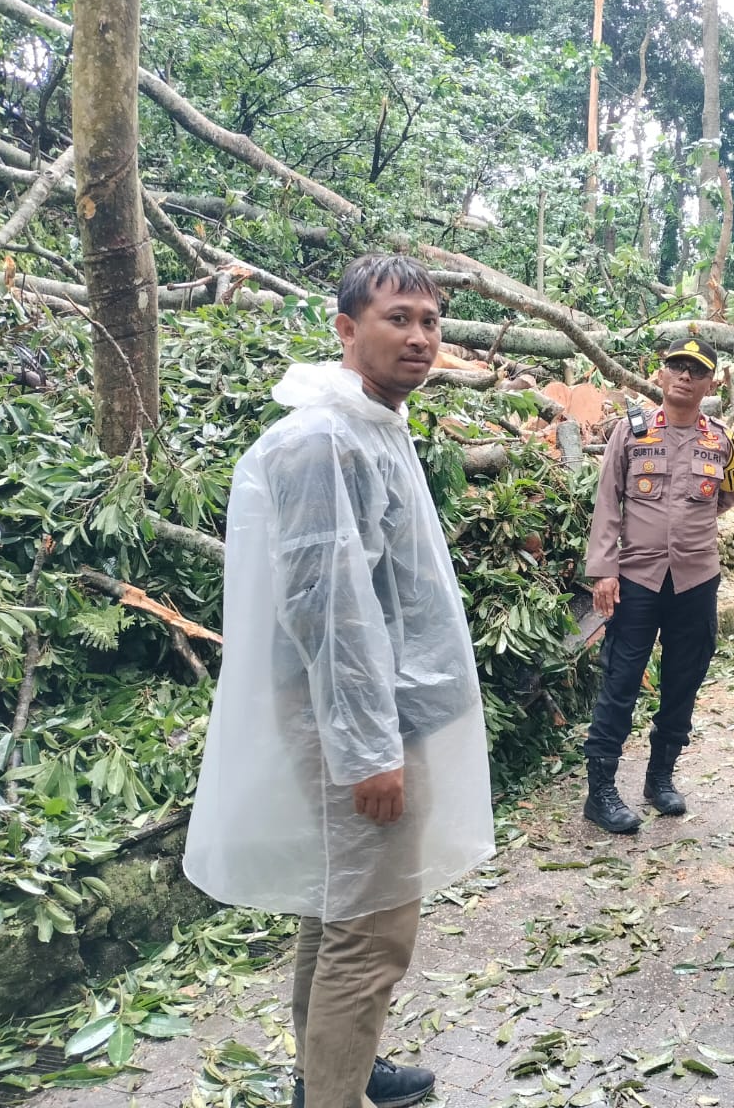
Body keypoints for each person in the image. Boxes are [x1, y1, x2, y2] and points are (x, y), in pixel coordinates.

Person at [184, 255, 495, 1108]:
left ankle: (330, 1074)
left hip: (379, 706)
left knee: (339, 903)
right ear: (346, 329)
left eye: (431, 321)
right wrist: (369, 750)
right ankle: (331, 1092)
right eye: (399, 318)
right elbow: (330, 607)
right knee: (373, 925)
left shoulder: (366, 423)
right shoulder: (323, 439)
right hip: (355, 718)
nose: (421, 337)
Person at [582, 337, 734, 833]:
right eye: (676, 366)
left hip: (696, 578)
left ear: (711, 383)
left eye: (696, 370)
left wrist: (687, 529)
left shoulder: (723, 440)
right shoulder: (629, 433)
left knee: (683, 680)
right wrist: (604, 570)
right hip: (636, 578)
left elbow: (728, 495)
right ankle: (601, 791)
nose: (684, 376)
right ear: (658, 374)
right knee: (621, 680)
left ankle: (661, 778)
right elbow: (608, 503)